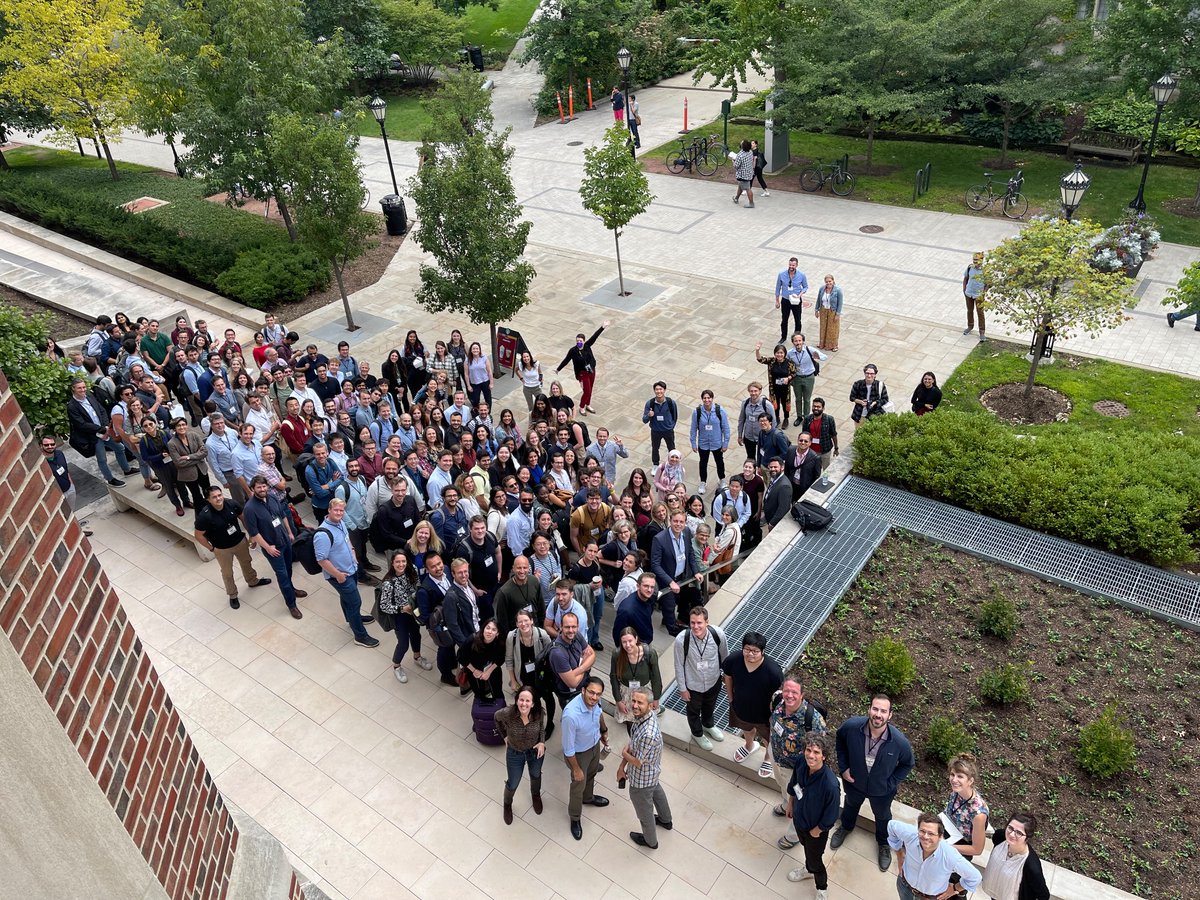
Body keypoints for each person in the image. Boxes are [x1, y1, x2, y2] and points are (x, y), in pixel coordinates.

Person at [831, 694, 915, 872]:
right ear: (869, 709)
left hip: (882, 791)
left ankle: (884, 843)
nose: (878, 714)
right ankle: (845, 827)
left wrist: (890, 783)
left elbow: (908, 764)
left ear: (890, 715)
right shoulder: (852, 727)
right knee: (850, 805)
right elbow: (840, 741)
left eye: (883, 711)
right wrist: (844, 767)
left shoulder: (899, 742)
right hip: (854, 783)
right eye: (875, 709)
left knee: (883, 816)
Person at [314, 499, 380, 647]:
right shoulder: (322, 534)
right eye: (336, 510)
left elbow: (347, 541)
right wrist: (338, 575)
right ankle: (360, 636)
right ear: (329, 510)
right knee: (355, 602)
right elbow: (321, 560)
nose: (339, 513)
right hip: (340, 576)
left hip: (351, 569)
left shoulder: (341, 523)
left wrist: (354, 556)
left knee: (348, 600)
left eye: (341, 510)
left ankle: (352, 619)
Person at [770, 679, 828, 846]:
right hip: (777, 757)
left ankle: (793, 835)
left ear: (802, 695)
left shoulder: (813, 720)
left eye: (794, 692)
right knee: (783, 785)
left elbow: (819, 751)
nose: (789, 695)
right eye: (786, 690)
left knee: (800, 803)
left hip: (797, 770)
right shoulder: (778, 702)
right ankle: (785, 802)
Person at [193, 484, 271, 609]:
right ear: (208, 500)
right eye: (214, 497)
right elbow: (198, 535)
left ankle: (253, 581)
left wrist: (252, 535)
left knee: (247, 562)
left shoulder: (231, 504)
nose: (218, 499)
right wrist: (211, 548)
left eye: (220, 495)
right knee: (227, 573)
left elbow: (244, 518)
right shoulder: (204, 516)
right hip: (222, 549)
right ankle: (233, 595)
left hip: (239, 542)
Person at [783, 736, 841, 900]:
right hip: (799, 820)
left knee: (816, 861)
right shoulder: (802, 762)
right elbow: (794, 783)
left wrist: (817, 831)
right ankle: (808, 868)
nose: (811, 755)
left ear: (824, 756)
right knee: (806, 848)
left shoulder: (830, 785)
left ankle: (821, 887)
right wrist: (790, 804)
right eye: (808, 750)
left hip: (815, 831)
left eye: (816, 752)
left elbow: (832, 814)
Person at [242, 475, 306, 618]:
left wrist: (289, 532)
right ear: (253, 489)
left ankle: (292, 588)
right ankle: (291, 604)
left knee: (288, 568)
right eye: (259, 487)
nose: (262, 489)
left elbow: (282, 516)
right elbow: (254, 532)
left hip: (285, 541)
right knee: (282, 575)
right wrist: (268, 547)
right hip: (273, 548)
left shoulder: (272, 497)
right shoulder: (249, 508)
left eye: (264, 486)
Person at [722, 631, 783, 777]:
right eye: (747, 649)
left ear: (762, 652)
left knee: (767, 737)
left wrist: (773, 715)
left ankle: (767, 759)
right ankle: (749, 745)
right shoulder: (734, 660)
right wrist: (731, 699)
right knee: (746, 729)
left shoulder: (773, 671)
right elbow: (728, 677)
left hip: (764, 714)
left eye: (755, 651)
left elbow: (778, 696)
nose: (750, 654)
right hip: (741, 707)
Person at [619, 686, 672, 849]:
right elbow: (635, 742)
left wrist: (623, 754)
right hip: (652, 773)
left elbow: (637, 761)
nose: (634, 705)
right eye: (633, 701)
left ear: (650, 705)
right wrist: (622, 766)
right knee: (656, 791)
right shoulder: (645, 717)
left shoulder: (648, 733)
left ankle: (651, 841)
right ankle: (665, 820)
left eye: (639, 702)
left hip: (641, 779)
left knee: (644, 812)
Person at [561, 675, 610, 841]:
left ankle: (588, 798)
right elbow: (568, 749)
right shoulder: (571, 715)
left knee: (592, 772)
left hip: (594, 745)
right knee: (578, 785)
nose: (594, 697)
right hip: (578, 754)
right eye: (591, 693)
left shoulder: (595, 702)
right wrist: (576, 769)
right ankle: (575, 817)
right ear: (583, 690)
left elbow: (599, 714)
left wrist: (603, 731)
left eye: (598, 694)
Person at [888, 812, 981, 899]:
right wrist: (900, 855)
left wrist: (955, 889)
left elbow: (975, 877)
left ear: (940, 836)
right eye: (922, 831)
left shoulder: (950, 855)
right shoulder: (911, 835)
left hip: (930, 897)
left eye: (931, 833)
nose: (925, 836)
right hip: (904, 886)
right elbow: (891, 826)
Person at [673, 606, 728, 751]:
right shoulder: (681, 640)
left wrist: (726, 679)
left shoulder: (718, 634)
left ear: (707, 622)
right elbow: (678, 665)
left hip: (713, 680)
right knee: (693, 711)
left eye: (699, 623)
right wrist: (683, 689)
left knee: (709, 706)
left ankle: (708, 725)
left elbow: (725, 657)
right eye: (692, 623)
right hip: (693, 684)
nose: (695, 626)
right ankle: (697, 734)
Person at [67, 378, 135, 486]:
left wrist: (105, 426)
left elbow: (102, 410)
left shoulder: (90, 396)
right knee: (102, 458)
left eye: (84, 387)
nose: (83, 390)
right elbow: (81, 424)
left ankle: (127, 469)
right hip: (93, 436)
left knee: (120, 448)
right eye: (79, 388)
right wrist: (101, 430)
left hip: (105, 431)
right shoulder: (72, 406)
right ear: (73, 389)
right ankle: (110, 479)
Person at [495, 686, 547, 824]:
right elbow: (496, 718)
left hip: (535, 751)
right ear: (517, 700)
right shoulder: (507, 713)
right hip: (514, 753)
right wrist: (504, 736)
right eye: (521, 700)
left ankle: (535, 795)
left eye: (527, 701)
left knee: (536, 775)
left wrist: (542, 742)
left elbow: (541, 727)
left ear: (533, 703)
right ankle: (507, 804)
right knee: (513, 783)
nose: (524, 703)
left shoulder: (538, 713)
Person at [378, 550, 432, 683]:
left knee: (416, 635)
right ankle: (396, 666)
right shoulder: (388, 583)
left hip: (413, 611)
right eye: (398, 562)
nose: (401, 564)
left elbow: (418, 584)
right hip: (399, 616)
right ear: (392, 563)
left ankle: (417, 657)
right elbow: (384, 606)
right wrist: (402, 609)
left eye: (403, 561)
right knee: (403, 643)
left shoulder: (412, 570)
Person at [651, 511, 702, 637]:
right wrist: (670, 581)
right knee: (669, 607)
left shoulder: (686, 532)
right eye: (675, 521)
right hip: (668, 581)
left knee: (683, 600)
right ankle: (674, 631)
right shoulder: (659, 539)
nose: (678, 524)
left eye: (681, 522)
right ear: (670, 521)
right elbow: (655, 565)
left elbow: (690, 553)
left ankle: (671, 620)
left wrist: (696, 571)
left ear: (685, 523)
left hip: (682, 577)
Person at [982, 813, 1051, 900]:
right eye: (1010, 828)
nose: (1011, 834)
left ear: (1027, 837)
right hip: (995, 893)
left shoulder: (1031, 866)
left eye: (1019, 833)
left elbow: (1044, 895)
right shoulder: (1000, 837)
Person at [610, 627, 662, 726]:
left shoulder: (649, 653)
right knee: (630, 723)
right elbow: (613, 678)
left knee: (646, 720)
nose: (628, 645)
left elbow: (656, 677)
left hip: (645, 691)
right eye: (624, 642)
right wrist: (618, 701)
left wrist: (656, 698)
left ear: (636, 639)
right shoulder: (617, 655)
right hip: (626, 692)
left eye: (630, 641)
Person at [944, 752, 990, 863]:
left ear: (970, 781)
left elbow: (977, 849)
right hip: (947, 834)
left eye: (960, 776)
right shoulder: (956, 792)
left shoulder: (978, 813)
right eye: (952, 774)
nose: (954, 780)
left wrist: (945, 846)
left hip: (959, 850)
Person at [41, 435, 91, 536]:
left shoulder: (59, 454)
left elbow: (66, 469)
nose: (50, 446)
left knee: (71, 513)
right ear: (41, 446)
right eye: (46, 445)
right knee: (60, 516)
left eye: (52, 444)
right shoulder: (42, 463)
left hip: (69, 489)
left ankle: (77, 532)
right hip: (57, 495)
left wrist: (71, 483)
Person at [556, 321, 608, 414]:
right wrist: (558, 369)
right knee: (586, 390)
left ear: (584, 341)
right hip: (582, 373)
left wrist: (602, 327)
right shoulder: (573, 351)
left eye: (580, 341)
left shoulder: (587, 346)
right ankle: (582, 406)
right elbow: (566, 360)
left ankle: (588, 404)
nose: (579, 342)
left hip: (591, 370)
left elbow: (595, 336)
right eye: (577, 341)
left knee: (590, 388)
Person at [548, 611, 594, 711]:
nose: (571, 630)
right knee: (576, 723)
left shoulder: (576, 636)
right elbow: (572, 683)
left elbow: (593, 655)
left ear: (578, 626)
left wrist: (577, 670)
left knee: (595, 712)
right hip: (570, 695)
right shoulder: (558, 653)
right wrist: (584, 665)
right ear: (561, 627)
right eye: (567, 627)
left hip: (585, 686)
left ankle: (603, 728)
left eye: (574, 627)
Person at [689, 390, 729, 495]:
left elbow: (726, 428)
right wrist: (693, 443)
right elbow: (693, 429)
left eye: (709, 398)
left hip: (717, 443)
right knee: (703, 463)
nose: (707, 400)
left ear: (712, 398)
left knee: (719, 462)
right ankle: (703, 482)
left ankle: (722, 480)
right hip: (703, 443)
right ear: (702, 399)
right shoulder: (697, 412)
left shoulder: (720, 411)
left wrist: (725, 443)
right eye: (705, 398)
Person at [459, 618, 506, 700]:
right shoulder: (472, 640)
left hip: (492, 669)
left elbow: (500, 659)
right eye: (488, 628)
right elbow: (461, 657)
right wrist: (474, 671)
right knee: (478, 693)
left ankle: (499, 708)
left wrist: (488, 672)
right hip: (474, 671)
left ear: (497, 633)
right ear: (483, 628)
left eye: (494, 630)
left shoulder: (500, 643)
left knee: (497, 691)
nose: (489, 632)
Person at [755, 341, 796, 425]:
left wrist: (788, 378)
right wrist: (757, 351)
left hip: (785, 388)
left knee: (785, 404)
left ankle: (786, 418)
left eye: (781, 353)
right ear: (775, 353)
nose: (779, 355)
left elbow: (794, 373)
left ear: (784, 354)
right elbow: (760, 359)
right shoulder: (772, 361)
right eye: (777, 353)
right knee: (775, 404)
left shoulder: (789, 363)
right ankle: (776, 418)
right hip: (774, 388)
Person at [787, 333, 823, 423]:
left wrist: (818, 356)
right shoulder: (790, 353)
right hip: (797, 378)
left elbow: (824, 356)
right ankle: (799, 416)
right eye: (796, 341)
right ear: (793, 342)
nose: (798, 343)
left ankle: (806, 417)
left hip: (809, 377)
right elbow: (785, 363)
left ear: (803, 341)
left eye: (799, 340)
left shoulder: (809, 350)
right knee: (798, 398)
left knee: (807, 399)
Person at [641, 381, 678, 470]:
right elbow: (644, 420)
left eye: (660, 389)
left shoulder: (670, 402)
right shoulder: (650, 403)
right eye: (657, 389)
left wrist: (671, 426)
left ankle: (673, 464)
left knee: (671, 448)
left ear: (664, 390)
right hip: (655, 430)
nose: (659, 391)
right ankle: (655, 464)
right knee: (655, 448)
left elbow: (675, 416)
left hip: (668, 430)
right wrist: (649, 415)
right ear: (654, 391)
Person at [774, 257, 807, 345]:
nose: (791, 267)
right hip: (785, 300)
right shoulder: (781, 274)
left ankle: (797, 339)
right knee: (784, 319)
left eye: (793, 265)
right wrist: (777, 301)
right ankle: (783, 337)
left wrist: (799, 295)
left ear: (796, 265)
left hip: (796, 300)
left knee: (798, 320)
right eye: (790, 265)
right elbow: (778, 288)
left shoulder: (801, 275)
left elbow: (805, 287)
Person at [803, 398, 840, 472]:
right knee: (813, 471)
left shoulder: (829, 419)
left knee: (826, 471)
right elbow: (804, 435)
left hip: (825, 451)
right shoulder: (807, 419)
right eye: (814, 406)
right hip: (811, 451)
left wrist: (836, 448)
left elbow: (833, 434)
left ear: (823, 408)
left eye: (818, 407)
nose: (816, 408)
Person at [849, 363, 890, 428]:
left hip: (874, 414)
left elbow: (885, 399)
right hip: (859, 414)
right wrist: (860, 402)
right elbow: (852, 397)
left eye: (871, 374)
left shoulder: (879, 385)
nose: (869, 375)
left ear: (875, 374)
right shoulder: (858, 384)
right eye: (867, 373)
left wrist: (875, 403)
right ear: (864, 373)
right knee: (859, 433)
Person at [761, 457, 792, 534]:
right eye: (771, 467)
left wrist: (772, 523)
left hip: (775, 521)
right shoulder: (774, 478)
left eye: (775, 467)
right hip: (769, 515)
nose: (773, 469)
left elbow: (783, 508)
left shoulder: (784, 486)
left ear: (782, 467)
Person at [785, 433, 822, 498]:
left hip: (804, 488)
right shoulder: (790, 450)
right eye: (801, 440)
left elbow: (816, 476)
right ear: (797, 440)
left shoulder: (815, 458)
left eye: (806, 441)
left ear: (810, 443)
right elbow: (786, 468)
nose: (803, 443)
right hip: (790, 484)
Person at [815, 274, 843, 352]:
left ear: (833, 281)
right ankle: (822, 343)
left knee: (833, 328)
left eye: (830, 281)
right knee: (823, 327)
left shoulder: (838, 290)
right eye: (826, 282)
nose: (828, 283)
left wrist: (838, 314)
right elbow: (818, 299)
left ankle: (834, 345)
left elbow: (840, 303)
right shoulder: (822, 289)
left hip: (832, 311)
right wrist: (816, 310)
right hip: (823, 310)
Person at [963, 251, 987, 342]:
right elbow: (965, 278)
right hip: (969, 293)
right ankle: (970, 326)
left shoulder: (985, 271)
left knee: (980, 313)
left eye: (977, 260)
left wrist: (983, 293)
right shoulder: (970, 268)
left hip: (979, 296)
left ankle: (982, 332)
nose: (975, 262)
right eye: (974, 260)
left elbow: (988, 284)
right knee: (969, 310)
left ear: (982, 260)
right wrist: (964, 289)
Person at [732, 139, 755, 208]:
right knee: (741, 185)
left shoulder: (740, 155)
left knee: (747, 188)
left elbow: (736, 166)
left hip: (742, 175)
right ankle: (736, 198)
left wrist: (733, 161)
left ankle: (751, 203)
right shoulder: (750, 152)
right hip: (749, 173)